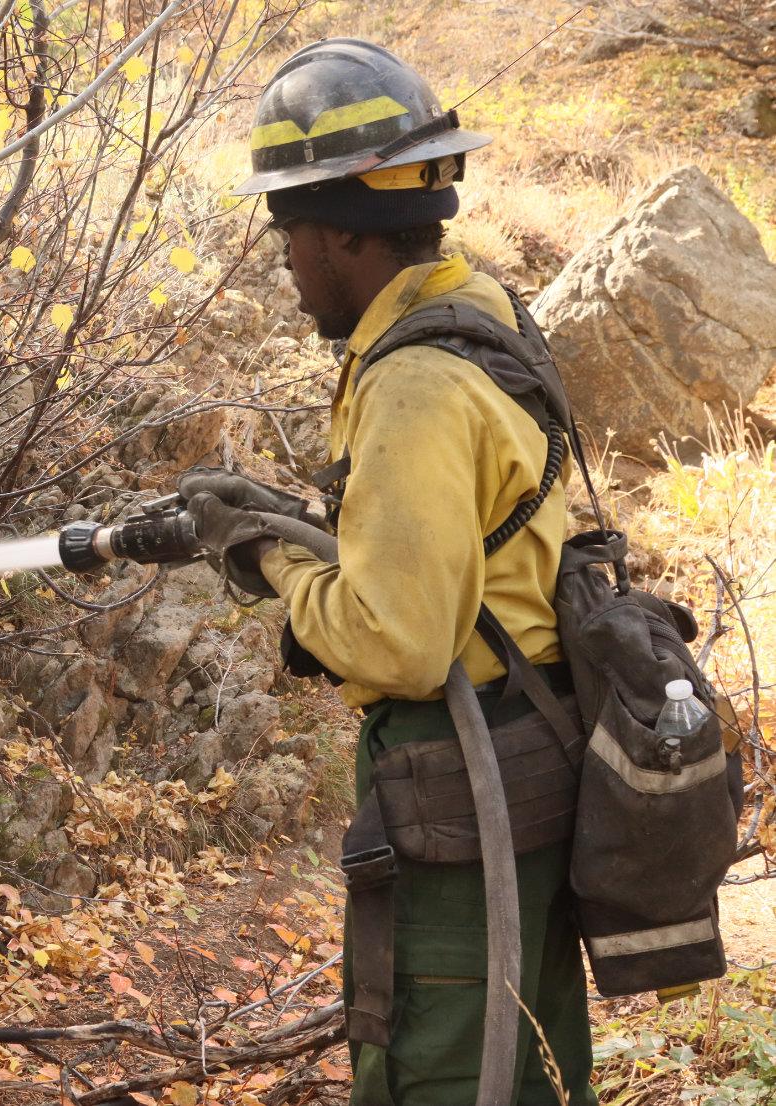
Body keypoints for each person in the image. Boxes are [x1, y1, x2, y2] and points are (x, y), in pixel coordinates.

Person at [180, 38, 596, 1106]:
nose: (284, 260)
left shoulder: (412, 380)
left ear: (334, 231)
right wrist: (302, 523)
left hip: (460, 789)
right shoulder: (475, 307)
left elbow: (402, 641)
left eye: (286, 233)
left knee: (442, 1072)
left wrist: (269, 555)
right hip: (529, 760)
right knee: (529, 1075)